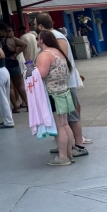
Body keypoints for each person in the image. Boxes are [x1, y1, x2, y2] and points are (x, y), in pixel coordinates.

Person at [35, 14, 90, 153]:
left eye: (35, 24)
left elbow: (60, 61)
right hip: (58, 85)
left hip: (63, 85)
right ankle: (66, 146)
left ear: (41, 26)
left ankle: (78, 145)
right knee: (62, 120)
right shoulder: (52, 37)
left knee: (70, 117)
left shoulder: (56, 37)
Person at [36, 30, 75, 167]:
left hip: (52, 94)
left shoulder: (45, 55)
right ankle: (69, 153)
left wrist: (29, 70)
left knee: (59, 127)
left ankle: (62, 156)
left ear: (42, 40)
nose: (37, 41)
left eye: (37, 38)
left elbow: (41, 74)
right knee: (65, 124)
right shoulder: (59, 52)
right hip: (64, 92)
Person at [0, 24, 29, 110]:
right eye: (9, 31)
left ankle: (15, 106)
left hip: (5, 64)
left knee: (10, 86)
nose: (11, 32)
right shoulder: (13, 40)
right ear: (5, 32)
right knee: (19, 85)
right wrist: (16, 54)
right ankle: (28, 104)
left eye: (11, 31)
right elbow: (24, 45)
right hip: (14, 63)